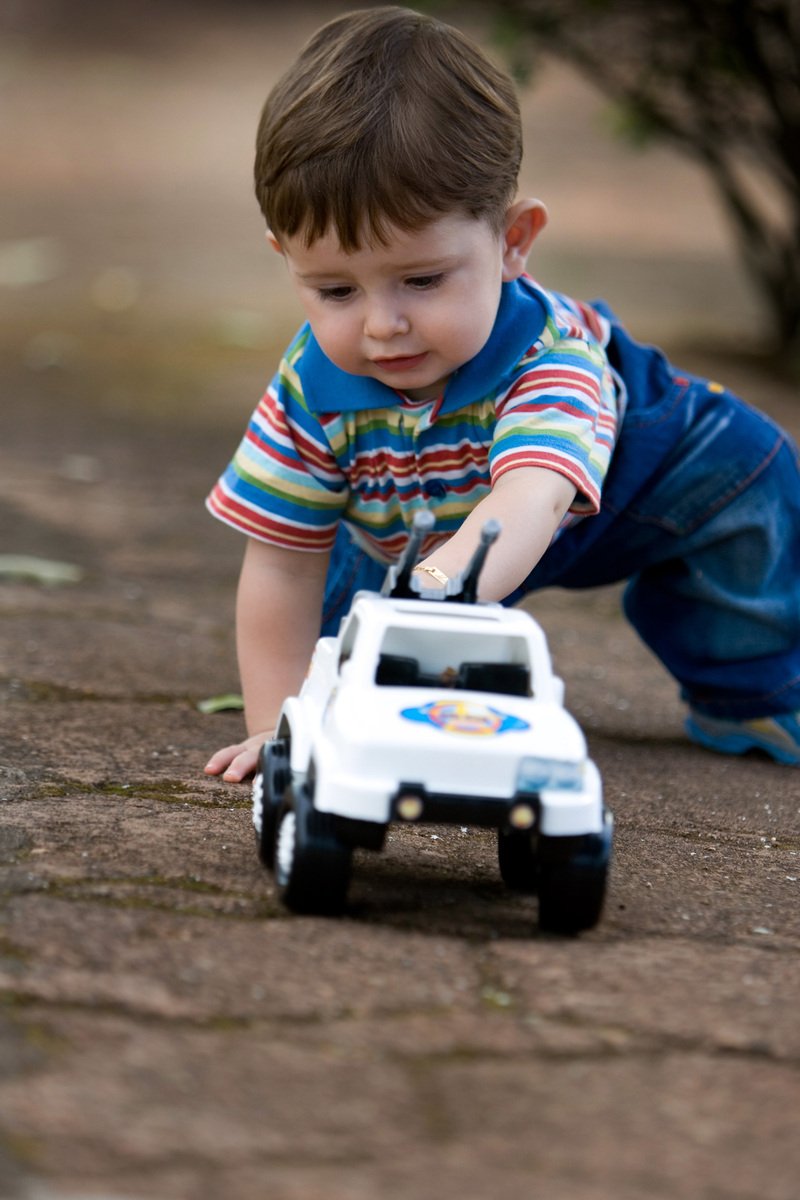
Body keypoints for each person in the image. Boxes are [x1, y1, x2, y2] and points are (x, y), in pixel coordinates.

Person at [204, 5, 800, 783]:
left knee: (755, 474)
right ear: (286, 257)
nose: (384, 326)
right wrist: (279, 725)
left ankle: (750, 689)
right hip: (419, 536)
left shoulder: (549, 356)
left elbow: (531, 498)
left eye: (422, 280)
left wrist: (429, 605)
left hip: (631, 480)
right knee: (337, 668)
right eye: (335, 290)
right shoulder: (309, 391)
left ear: (513, 241)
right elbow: (280, 564)